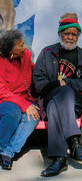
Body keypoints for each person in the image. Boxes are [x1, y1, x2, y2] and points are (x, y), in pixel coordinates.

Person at [32, 15, 82, 177]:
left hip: (75, 104)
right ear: (60, 34)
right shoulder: (47, 53)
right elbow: (38, 82)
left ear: (78, 36)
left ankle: (60, 159)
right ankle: (75, 142)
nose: (70, 37)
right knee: (56, 101)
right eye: (66, 33)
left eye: (74, 34)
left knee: (64, 94)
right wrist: (57, 85)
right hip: (48, 99)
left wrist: (68, 83)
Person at [0, 29, 39, 171]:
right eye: (21, 45)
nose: (25, 48)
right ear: (10, 50)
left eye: (24, 44)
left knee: (33, 116)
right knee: (13, 112)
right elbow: (2, 91)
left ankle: (8, 152)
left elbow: (34, 71)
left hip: (26, 98)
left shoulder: (26, 55)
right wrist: (23, 105)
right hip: (5, 99)